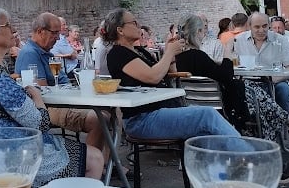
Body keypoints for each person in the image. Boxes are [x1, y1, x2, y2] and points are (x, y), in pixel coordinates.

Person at [0, 6, 103, 183]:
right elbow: (41, 123)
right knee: (95, 158)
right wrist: (36, 97)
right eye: (8, 25)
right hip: (16, 154)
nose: (14, 30)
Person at [174, 15, 289, 183]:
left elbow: (208, 68)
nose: (204, 34)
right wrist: (228, 55)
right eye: (203, 31)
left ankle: (280, 136)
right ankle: (274, 159)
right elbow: (226, 75)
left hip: (200, 106)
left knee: (259, 100)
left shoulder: (182, 58)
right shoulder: (198, 55)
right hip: (226, 107)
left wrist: (216, 62)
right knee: (259, 106)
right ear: (198, 32)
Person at [102, 8, 241, 141]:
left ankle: (223, 161)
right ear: (120, 30)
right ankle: (247, 154)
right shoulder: (117, 53)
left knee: (208, 132)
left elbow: (170, 73)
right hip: (141, 118)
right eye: (133, 23)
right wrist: (168, 52)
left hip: (161, 111)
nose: (138, 25)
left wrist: (171, 54)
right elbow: (153, 77)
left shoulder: (138, 50)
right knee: (207, 115)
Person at [15, 13, 108, 161]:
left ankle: (106, 163)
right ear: (40, 31)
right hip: (48, 107)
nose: (58, 38)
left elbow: (64, 81)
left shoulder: (46, 53)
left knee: (109, 111)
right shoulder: (30, 54)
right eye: (55, 33)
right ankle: (87, 165)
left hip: (62, 102)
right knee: (99, 119)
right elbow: (41, 92)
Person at [229, 12, 289, 113]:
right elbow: (235, 65)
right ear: (249, 26)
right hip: (247, 82)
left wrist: (274, 79)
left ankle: (283, 124)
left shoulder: (280, 40)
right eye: (257, 27)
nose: (261, 30)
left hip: (274, 82)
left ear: (269, 25)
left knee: (284, 90)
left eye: (265, 26)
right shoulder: (239, 40)